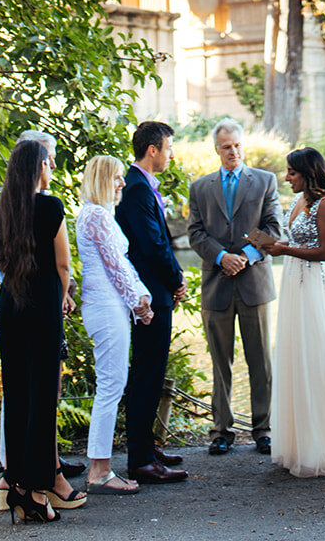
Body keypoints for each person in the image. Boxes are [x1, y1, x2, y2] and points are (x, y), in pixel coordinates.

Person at [0, 138, 87, 520]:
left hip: (10, 306)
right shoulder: (50, 206)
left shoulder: (4, 211)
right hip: (42, 305)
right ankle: (35, 490)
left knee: (17, 395)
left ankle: (15, 485)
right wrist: (62, 297)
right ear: (39, 169)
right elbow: (63, 265)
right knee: (43, 396)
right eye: (48, 163)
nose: (50, 168)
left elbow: (1, 261)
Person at [187, 118, 283, 456]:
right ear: (217, 149)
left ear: (244, 145)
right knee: (219, 362)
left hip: (253, 282)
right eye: (226, 147)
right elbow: (195, 232)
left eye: (238, 145)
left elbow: (274, 227)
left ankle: (264, 429)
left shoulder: (265, 181)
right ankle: (221, 431)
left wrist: (244, 256)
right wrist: (220, 257)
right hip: (217, 284)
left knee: (261, 361)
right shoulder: (200, 187)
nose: (233, 152)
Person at [255, 147, 325, 478]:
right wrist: (271, 246)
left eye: (291, 173)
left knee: (319, 359)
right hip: (293, 289)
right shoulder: (297, 203)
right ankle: (299, 443)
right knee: (296, 359)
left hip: (314, 287)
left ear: (307, 174)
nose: (286, 178)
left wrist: (283, 250)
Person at [114, 120, 189, 485]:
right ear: (153, 150)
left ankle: (147, 446)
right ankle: (140, 460)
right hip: (148, 294)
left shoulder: (142, 186)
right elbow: (153, 245)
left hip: (153, 292)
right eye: (169, 147)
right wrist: (177, 279)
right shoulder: (137, 189)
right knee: (146, 375)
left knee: (151, 373)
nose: (172, 154)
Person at [75, 155, 154, 494]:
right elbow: (115, 268)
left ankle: (100, 465)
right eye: (118, 177)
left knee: (112, 384)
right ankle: (100, 469)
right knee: (111, 385)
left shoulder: (97, 215)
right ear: (103, 179)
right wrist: (140, 305)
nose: (123, 183)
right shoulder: (96, 216)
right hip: (107, 307)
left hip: (108, 305)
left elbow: (122, 265)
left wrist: (141, 294)